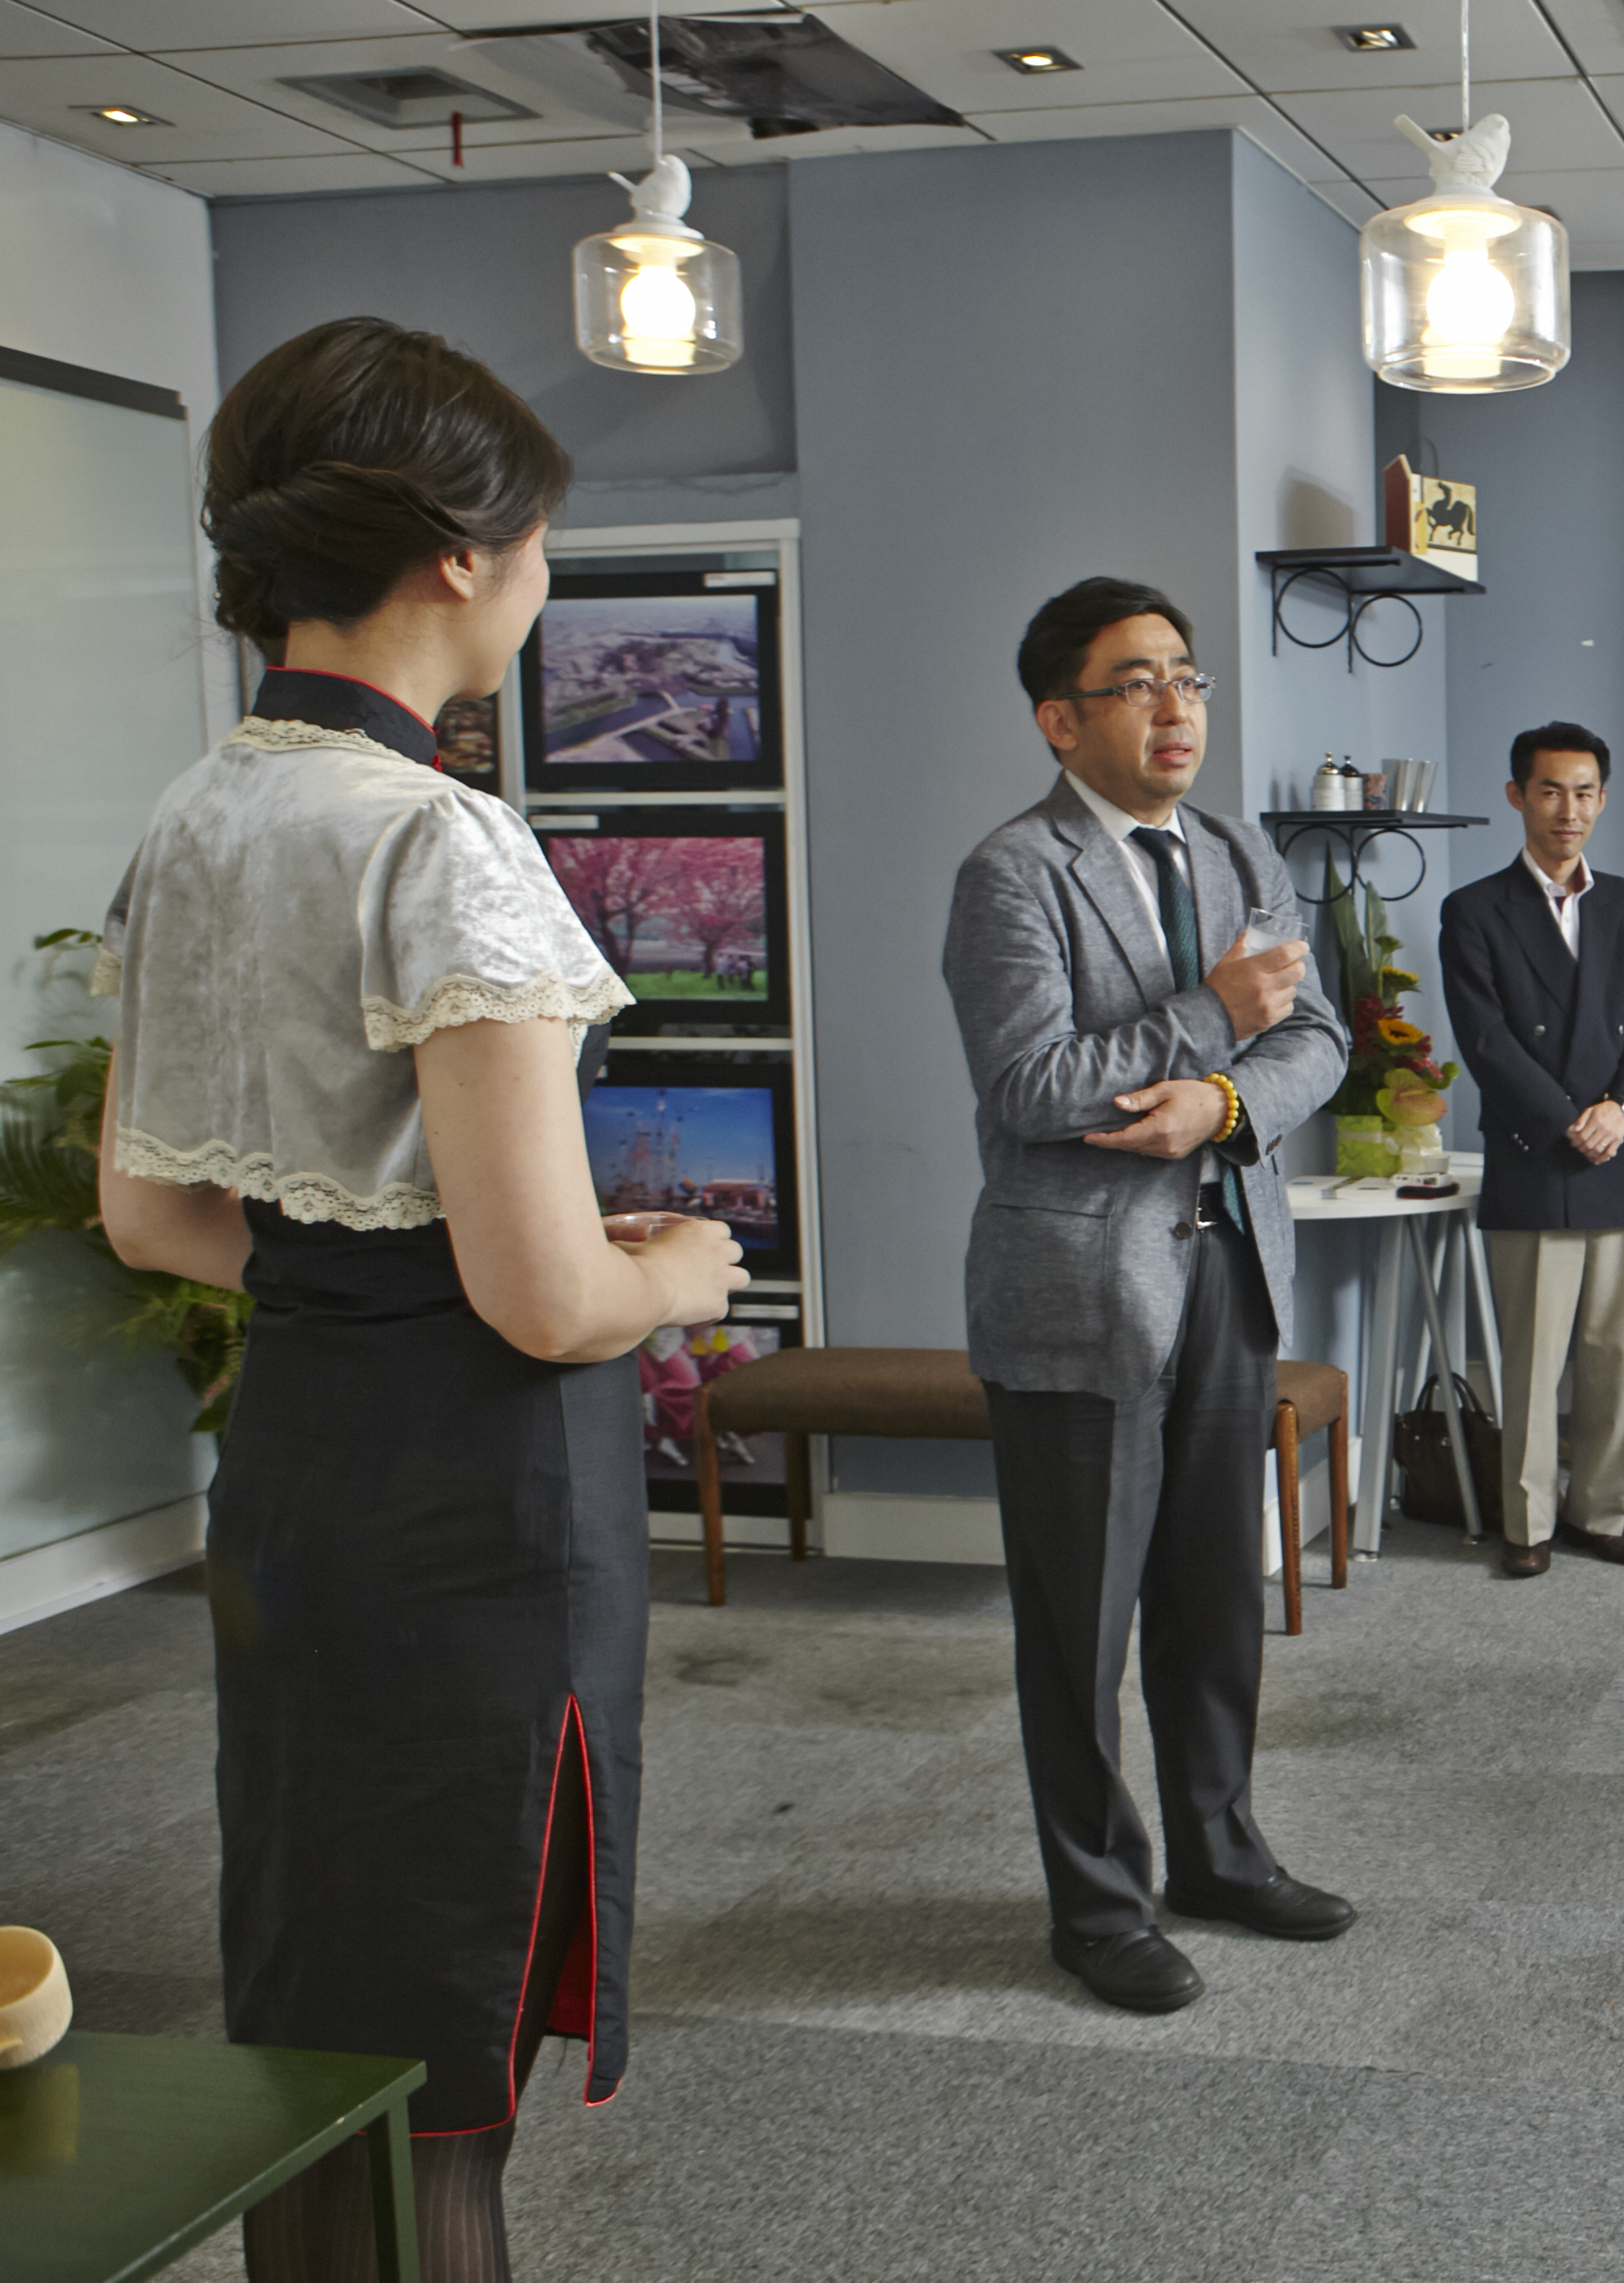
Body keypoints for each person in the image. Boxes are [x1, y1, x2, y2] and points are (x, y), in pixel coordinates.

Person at [96, 317, 747, 2279]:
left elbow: (154, 1216)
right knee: (443, 2079)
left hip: (302, 1474)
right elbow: (546, 1302)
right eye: (539, 536)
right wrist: (677, 1272)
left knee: (331, 2027)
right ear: (463, 551)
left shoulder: (196, 815)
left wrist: (394, 1263)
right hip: (476, 1504)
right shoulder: (437, 837)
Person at [943, 577, 1356, 2019]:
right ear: (1060, 719)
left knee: (1211, 1595)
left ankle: (1219, 1852)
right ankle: (1098, 1903)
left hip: (1228, 1260)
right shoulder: (1012, 873)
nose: (1176, 705)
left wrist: (1224, 1102)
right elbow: (1031, 1082)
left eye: (1187, 676)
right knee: (1080, 1623)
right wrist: (1210, 1022)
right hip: (1078, 1290)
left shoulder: (1238, 848)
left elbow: (1321, 1037)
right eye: (1136, 681)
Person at [1442, 722, 1624, 1577]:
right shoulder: (1473, 909)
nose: (1567, 810)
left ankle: (1599, 1511)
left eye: (1583, 793)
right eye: (1549, 791)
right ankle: (1527, 1523)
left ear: (1602, 800)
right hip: (1535, 1152)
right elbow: (1486, 1039)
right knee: (1534, 1359)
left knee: (1612, 1354)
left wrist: (1619, 1110)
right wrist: (1568, 1120)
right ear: (1517, 796)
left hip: (1620, 1152)